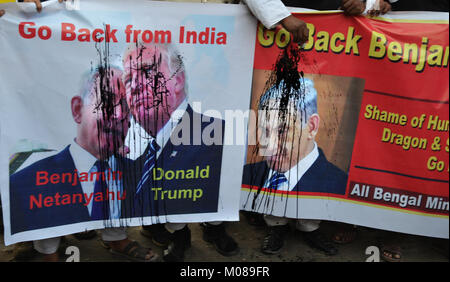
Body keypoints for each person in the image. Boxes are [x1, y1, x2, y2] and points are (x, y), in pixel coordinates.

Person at [9, 67, 158, 262]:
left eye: (127, 107)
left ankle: (117, 239)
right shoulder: (30, 177)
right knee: (46, 201)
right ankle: (47, 252)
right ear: (78, 110)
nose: (119, 115)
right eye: (106, 102)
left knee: (117, 195)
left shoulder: (135, 171)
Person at [121, 42, 238, 261]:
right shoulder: (126, 147)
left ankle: (215, 231)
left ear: (178, 80)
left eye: (148, 71)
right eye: (128, 79)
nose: (135, 85)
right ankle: (180, 237)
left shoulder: (218, 133)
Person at [242, 77, 348, 256]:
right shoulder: (249, 174)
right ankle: (276, 225)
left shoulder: (339, 182)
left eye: (282, 130)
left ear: (312, 126)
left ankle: (309, 227)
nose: (271, 144)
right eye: (266, 130)